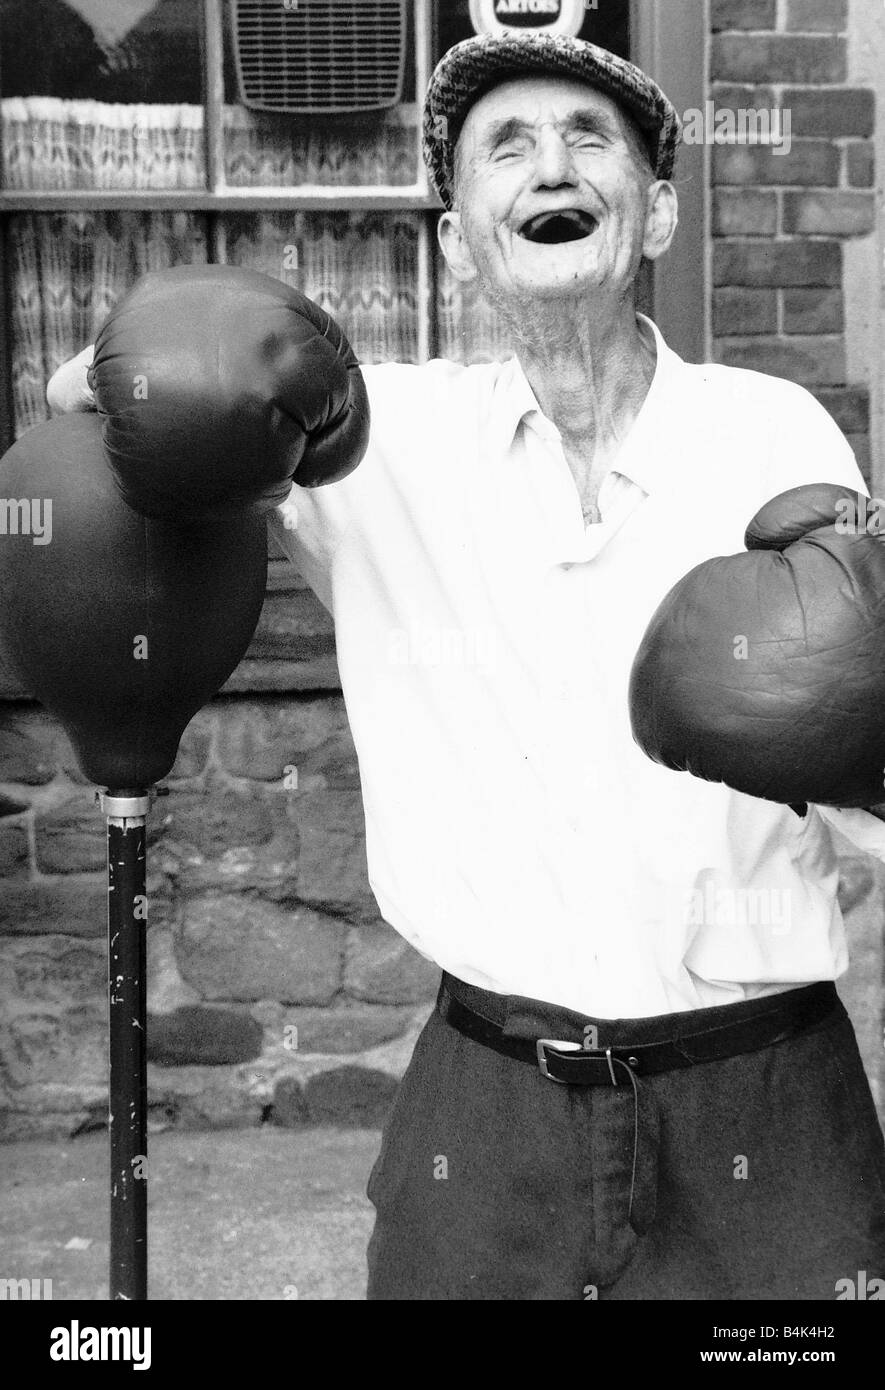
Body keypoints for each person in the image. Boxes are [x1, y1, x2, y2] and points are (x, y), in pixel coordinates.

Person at [48, 33, 885, 1301]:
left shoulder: (774, 429)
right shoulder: (378, 445)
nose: (550, 166)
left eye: (588, 138)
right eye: (507, 146)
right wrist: (172, 373)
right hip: (488, 1108)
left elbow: (865, 709)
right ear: (457, 239)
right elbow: (100, 403)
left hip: (763, 1093)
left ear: (656, 211)